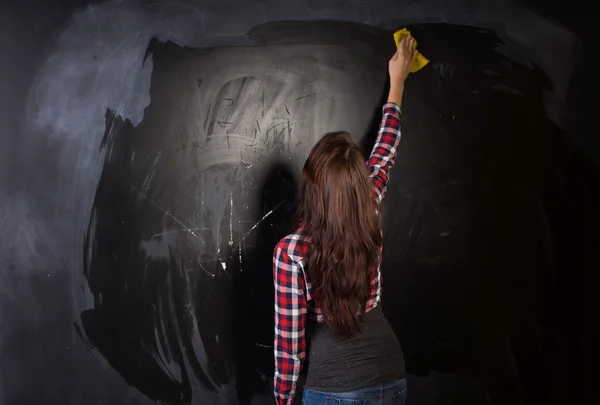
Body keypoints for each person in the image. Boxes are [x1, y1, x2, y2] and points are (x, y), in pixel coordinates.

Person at [273, 35, 418, 405]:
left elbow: (290, 351)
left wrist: (284, 400)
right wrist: (398, 81)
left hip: (334, 388)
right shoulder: (370, 209)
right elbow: (385, 150)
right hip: (391, 375)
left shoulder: (291, 254)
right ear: (358, 182)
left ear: (312, 189)